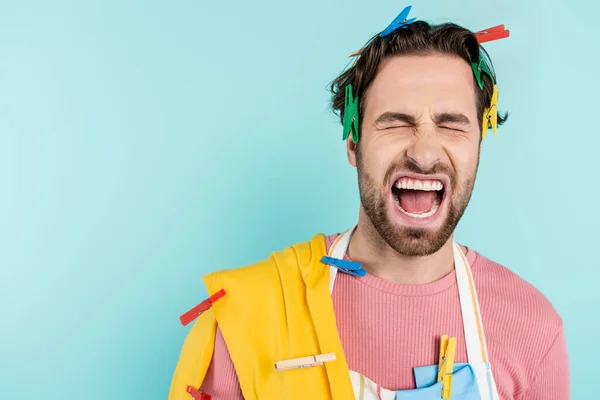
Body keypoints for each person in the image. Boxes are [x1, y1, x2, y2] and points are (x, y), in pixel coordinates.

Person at [169, 7, 569, 400]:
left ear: (478, 146)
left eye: (451, 125)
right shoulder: (244, 318)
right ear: (353, 143)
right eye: (396, 122)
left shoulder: (532, 329)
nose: (425, 153)